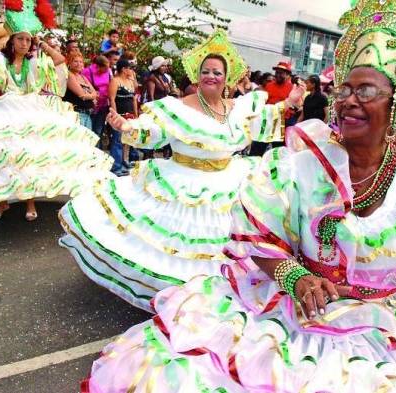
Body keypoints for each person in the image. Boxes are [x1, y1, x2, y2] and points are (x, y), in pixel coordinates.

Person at [79, 1, 396, 392]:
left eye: (365, 91)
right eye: (343, 89)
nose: (347, 100)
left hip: (394, 325)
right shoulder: (299, 165)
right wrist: (295, 277)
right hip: (296, 317)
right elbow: (258, 236)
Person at [58, 29, 304, 312]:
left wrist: (290, 102)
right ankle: (176, 298)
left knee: (222, 248)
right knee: (177, 249)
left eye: (217, 72)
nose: (211, 76)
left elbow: (263, 117)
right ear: (198, 76)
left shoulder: (236, 108)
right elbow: (154, 129)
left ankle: (212, 301)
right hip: (183, 180)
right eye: (206, 71)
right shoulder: (178, 107)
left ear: (226, 78)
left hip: (228, 181)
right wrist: (126, 126)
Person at [0, 2, 113, 223]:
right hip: (4, 111)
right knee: (4, 158)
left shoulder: (34, 62)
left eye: (28, 39)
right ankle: (2, 202)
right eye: (20, 38)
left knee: (29, 159)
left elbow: (59, 61)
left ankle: (30, 202)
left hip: (29, 110)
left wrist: (41, 42)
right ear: (11, 41)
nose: (24, 43)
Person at [250, 61, 295, 156]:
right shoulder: (269, 85)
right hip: (267, 121)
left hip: (281, 124)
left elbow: (294, 106)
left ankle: (275, 169)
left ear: (287, 75)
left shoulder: (292, 88)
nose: (278, 75)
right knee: (257, 148)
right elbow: (263, 101)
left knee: (278, 153)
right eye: (277, 72)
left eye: (281, 73)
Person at [108, 58, 138, 176]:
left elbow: (134, 98)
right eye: (129, 68)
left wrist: (136, 114)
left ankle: (124, 161)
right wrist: (115, 115)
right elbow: (112, 98)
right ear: (124, 69)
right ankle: (116, 166)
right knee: (117, 141)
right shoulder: (115, 81)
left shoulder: (130, 81)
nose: (131, 70)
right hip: (120, 114)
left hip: (130, 114)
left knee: (128, 140)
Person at [82, 55, 112, 147]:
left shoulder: (108, 71)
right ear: (98, 66)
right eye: (105, 68)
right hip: (91, 105)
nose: (107, 69)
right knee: (88, 131)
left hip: (103, 105)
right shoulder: (87, 72)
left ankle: (97, 151)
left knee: (98, 130)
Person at [63, 52, 98, 129]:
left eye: (81, 62)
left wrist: (90, 96)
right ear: (69, 63)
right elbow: (81, 95)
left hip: (87, 114)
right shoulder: (69, 75)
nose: (79, 64)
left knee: (87, 140)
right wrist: (92, 96)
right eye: (75, 61)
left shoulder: (82, 77)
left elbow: (95, 93)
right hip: (76, 114)